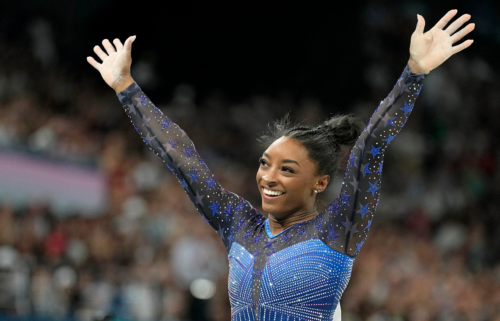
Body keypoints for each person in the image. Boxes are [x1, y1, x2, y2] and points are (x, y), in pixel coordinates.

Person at [87, 10, 474, 321]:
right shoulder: (240, 224)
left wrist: (414, 73)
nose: (268, 177)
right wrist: (126, 86)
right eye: (265, 164)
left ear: (320, 182)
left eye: (288, 169)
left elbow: (370, 144)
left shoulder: (337, 230)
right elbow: (182, 159)